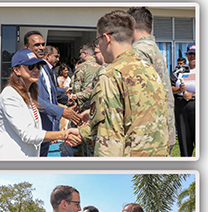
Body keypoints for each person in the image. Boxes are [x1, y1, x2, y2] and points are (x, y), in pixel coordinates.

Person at [79, 10, 168, 156]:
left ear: (106, 38)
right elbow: (137, 117)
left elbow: (109, 144)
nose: (99, 47)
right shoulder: (149, 70)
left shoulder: (110, 76)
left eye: (98, 41)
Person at [0, 49, 81, 158]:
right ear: (17, 70)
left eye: (38, 66)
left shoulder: (29, 94)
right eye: (30, 67)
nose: (36, 70)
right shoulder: (10, 95)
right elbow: (28, 134)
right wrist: (63, 134)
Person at [22, 32, 81, 157]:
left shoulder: (43, 68)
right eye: (36, 44)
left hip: (48, 124)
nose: (41, 47)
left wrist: (66, 98)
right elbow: (34, 100)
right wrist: (62, 111)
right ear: (26, 48)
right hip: (37, 126)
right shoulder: (26, 72)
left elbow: (51, 92)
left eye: (43, 44)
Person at [129, 7, 175, 152]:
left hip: (149, 136)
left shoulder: (138, 51)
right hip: (164, 130)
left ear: (131, 26)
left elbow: (138, 97)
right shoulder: (153, 48)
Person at [172, 44, 196, 157]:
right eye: (190, 54)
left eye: (195, 54)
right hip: (181, 110)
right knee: (184, 144)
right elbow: (168, 87)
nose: (192, 56)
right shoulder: (179, 70)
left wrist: (194, 96)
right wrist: (179, 89)